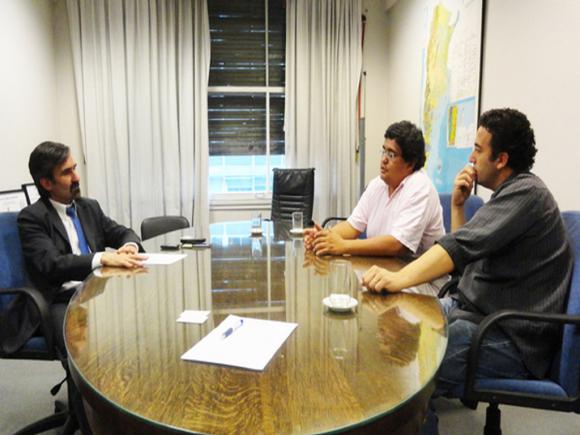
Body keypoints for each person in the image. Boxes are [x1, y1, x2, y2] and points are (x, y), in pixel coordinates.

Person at [363, 108, 573, 434]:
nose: (471, 157)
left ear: (501, 159)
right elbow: (467, 259)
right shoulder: (508, 197)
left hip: (509, 337)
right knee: (394, 331)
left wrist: (398, 278)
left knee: (409, 367)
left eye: (477, 149)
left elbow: (459, 246)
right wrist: (458, 207)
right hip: (476, 315)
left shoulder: (527, 195)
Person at [17, 141, 146, 354]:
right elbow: (53, 264)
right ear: (47, 183)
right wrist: (102, 258)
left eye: (74, 168)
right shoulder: (32, 218)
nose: (76, 177)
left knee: (138, 324)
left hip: (98, 290)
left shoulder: (88, 207)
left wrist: (129, 246)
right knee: (80, 351)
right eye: (67, 172)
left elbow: (122, 232)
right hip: (62, 299)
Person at [305, 121, 445, 295]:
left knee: (363, 293)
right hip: (387, 271)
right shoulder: (377, 184)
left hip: (422, 282)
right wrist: (323, 238)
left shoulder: (420, 187)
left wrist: (342, 246)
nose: (384, 159)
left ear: (410, 164)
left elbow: (397, 245)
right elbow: (352, 226)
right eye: (384, 151)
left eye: (392, 154)